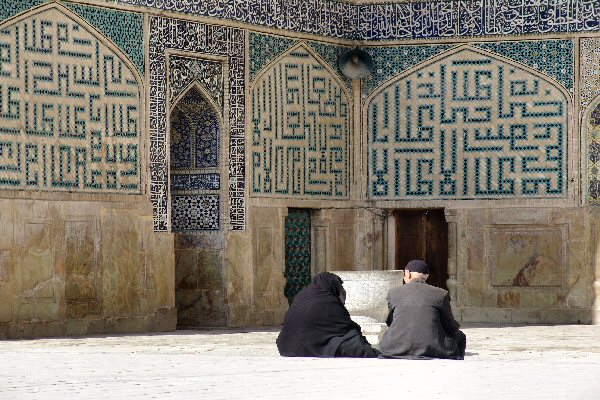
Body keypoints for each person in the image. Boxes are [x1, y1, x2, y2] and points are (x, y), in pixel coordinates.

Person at [276, 272, 379, 358]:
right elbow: (345, 327)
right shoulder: (328, 301)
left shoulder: (302, 296)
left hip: (286, 346)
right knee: (354, 342)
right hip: (312, 344)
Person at [379, 259, 466, 360]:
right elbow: (451, 326)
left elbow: (390, 322)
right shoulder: (441, 294)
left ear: (408, 273)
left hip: (394, 349)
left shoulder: (393, 293)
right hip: (432, 349)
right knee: (460, 336)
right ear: (426, 277)